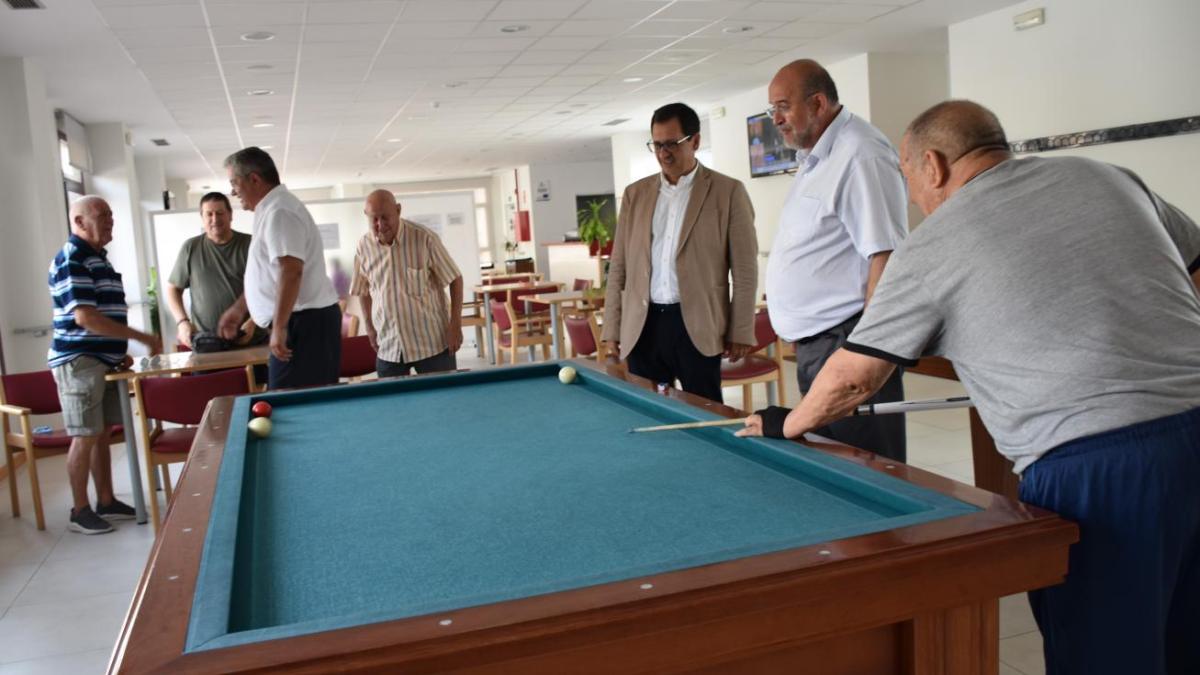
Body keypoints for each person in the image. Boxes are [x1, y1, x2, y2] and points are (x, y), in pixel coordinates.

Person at [740, 100, 1200, 675]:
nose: (913, 197)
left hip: (1097, 465)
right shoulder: (1104, 176)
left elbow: (855, 376)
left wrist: (790, 421)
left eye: (909, 178)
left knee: (1107, 656)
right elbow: (1194, 265)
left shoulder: (936, 243)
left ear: (932, 165)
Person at [764, 59, 909, 461]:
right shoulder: (817, 156)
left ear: (818, 103)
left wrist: (868, 351)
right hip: (819, 346)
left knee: (866, 466)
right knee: (835, 463)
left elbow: (887, 254)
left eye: (782, 106)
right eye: (771, 109)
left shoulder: (861, 153)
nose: (775, 119)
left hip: (848, 343)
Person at [601, 102, 758, 402]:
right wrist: (612, 329)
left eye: (672, 143)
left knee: (705, 412)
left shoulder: (728, 192)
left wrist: (740, 329)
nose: (663, 153)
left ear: (695, 141)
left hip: (697, 326)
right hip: (643, 326)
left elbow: (745, 270)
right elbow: (618, 267)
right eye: (657, 145)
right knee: (646, 411)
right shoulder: (636, 195)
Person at [48, 196, 162, 534]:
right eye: (102, 215)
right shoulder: (73, 258)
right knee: (84, 434)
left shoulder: (98, 258)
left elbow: (103, 315)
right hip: (79, 362)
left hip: (102, 361)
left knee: (100, 433)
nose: (110, 220)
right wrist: (140, 336)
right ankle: (79, 510)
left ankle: (107, 500)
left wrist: (115, 351)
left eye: (111, 214)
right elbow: (86, 318)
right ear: (79, 223)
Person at [217, 147, 341, 389]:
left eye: (235, 183)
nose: (232, 191)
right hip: (300, 321)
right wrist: (240, 309)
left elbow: (291, 271)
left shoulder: (280, 211)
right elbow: (271, 276)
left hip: (304, 323)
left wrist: (280, 326)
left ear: (254, 179)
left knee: (294, 406)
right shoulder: (272, 209)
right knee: (292, 403)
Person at [350, 189, 463, 377]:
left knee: (443, 403)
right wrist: (369, 327)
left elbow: (455, 279)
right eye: (374, 219)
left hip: (432, 344)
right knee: (393, 405)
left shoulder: (425, 239)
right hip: (389, 346)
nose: (381, 225)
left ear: (398, 210)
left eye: (385, 217)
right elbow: (363, 290)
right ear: (366, 217)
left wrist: (455, 324)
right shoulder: (363, 247)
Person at [164, 191, 264, 350]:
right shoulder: (191, 248)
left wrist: (253, 322)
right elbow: (173, 289)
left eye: (220, 213)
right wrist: (182, 322)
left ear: (230, 215)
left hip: (250, 341)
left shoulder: (251, 245)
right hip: (207, 344)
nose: (215, 219)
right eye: (209, 214)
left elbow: (269, 289)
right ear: (202, 217)